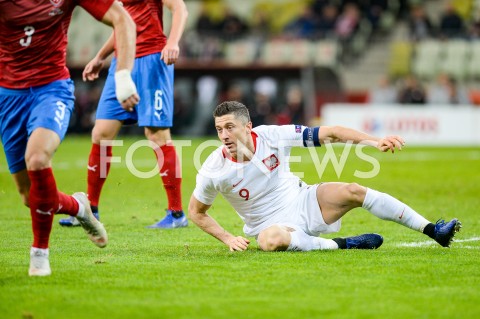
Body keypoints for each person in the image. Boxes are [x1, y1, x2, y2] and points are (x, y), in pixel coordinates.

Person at [188, 101, 461, 252]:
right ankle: (344, 245)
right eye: (219, 129)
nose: (223, 135)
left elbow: (330, 133)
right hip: (270, 226)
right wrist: (227, 238)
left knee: (353, 190)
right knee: (269, 241)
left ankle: (433, 230)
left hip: (304, 200)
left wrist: (374, 142)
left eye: (229, 127)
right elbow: (196, 211)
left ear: (248, 126)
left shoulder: (272, 135)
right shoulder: (214, 168)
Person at [0, 0, 139, 276]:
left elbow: (123, 19)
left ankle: (39, 254)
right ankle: (79, 207)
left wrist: (123, 76)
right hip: (9, 96)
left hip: (51, 90)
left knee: (38, 158)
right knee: (30, 197)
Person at [59, 0, 189, 229]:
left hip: (153, 59)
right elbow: (123, 25)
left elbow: (179, 8)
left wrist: (173, 42)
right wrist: (100, 57)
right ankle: (92, 209)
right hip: (122, 65)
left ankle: (176, 214)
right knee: (101, 133)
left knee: (157, 135)